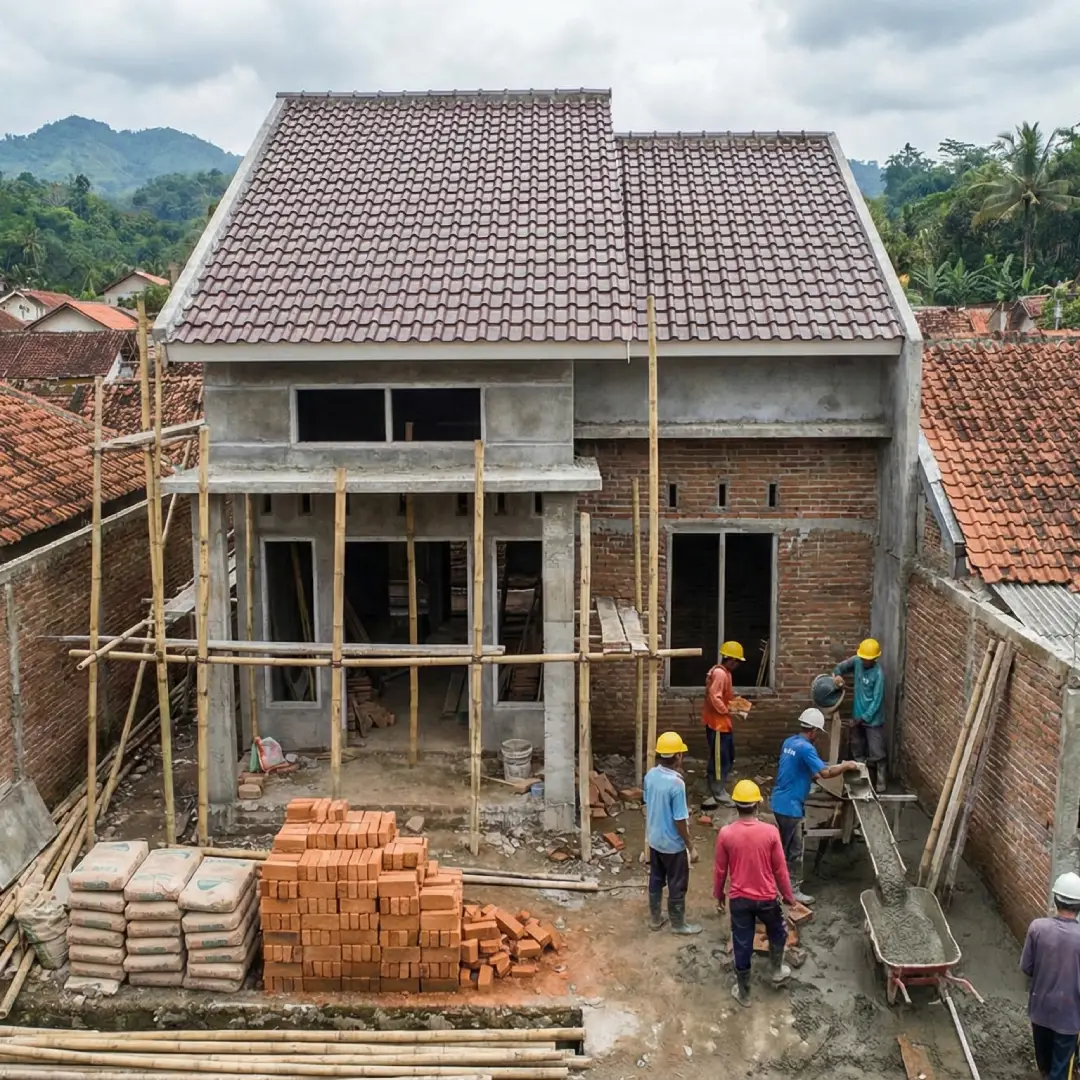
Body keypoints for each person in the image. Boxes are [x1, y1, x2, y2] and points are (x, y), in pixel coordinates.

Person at [714, 779, 796, 1007]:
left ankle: (744, 992)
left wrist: (719, 895)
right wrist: (788, 896)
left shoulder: (726, 834)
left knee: (742, 942)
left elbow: (720, 869)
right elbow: (780, 869)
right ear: (758, 805)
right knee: (778, 930)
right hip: (767, 898)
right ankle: (777, 969)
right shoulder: (770, 833)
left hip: (739, 899)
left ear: (736, 805)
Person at [769, 708, 859, 905]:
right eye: (818, 732)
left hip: (778, 801)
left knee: (781, 848)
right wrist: (846, 766)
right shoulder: (807, 748)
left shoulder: (789, 742)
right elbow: (825, 773)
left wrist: (815, 774)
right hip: (791, 807)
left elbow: (806, 771)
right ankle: (790, 892)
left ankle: (774, 887)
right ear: (813, 731)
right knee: (794, 851)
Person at [1021, 871, 1080, 1080]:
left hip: (1040, 1011)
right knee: (1060, 1069)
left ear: (1055, 900)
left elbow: (1027, 967)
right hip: (1070, 1018)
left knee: (1044, 1065)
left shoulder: (1037, 928)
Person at [643, 731, 702, 936]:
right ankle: (678, 924)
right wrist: (690, 845)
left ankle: (655, 919)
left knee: (656, 878)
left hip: (655, 839)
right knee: (677, 883)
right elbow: (679, 819)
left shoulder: (650, 775)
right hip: (672, 845)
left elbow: (647, 802)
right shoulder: (677, 784)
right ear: (677, 756)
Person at [833, 638, 886, 790]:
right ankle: (862, 777)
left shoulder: (878, 674)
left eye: (867, 659)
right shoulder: (857, 661)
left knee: (877, 752)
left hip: (873, 719)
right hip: (857, 714)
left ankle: (881, 779)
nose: (864, 661)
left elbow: (877, 701)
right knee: (857, 747)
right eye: (863, 658)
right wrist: (837, 675)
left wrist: (862, 718)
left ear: (875, 659)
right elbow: (840, 667)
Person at [701, 641, 748, 810]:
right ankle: (718, 792)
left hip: (721, 724)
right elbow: (715, 697)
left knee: (727, 755)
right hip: (718, 725)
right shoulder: (720, 674)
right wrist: (729, 711)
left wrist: (736, 705)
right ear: (732, 660)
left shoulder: (723, 672)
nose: (737, 665)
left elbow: (721, 696)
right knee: (721, 759)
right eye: (737, 662)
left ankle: (715, 787)